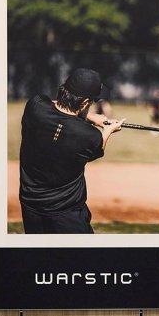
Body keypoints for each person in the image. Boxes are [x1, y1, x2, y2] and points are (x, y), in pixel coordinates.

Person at [18, 68, 124, 234]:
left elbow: (52, 104)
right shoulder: (90, 136)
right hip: (66, 214)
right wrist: (108, 131)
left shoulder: (34, 106)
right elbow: (99, 146)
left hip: (30, 206)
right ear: (84, 103)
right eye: (91, 103)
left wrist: (90, 117)